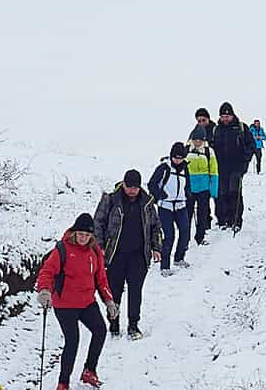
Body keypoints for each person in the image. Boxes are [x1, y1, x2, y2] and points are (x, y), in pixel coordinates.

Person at [33, 212, 114, 390]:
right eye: (80, 234)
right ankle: (63, 383)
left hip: (87, 302)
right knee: (73, 341)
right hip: (65, 304)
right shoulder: (62, 249)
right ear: (74, 233)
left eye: (87, 235)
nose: (83, 238)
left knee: (100, 330)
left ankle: (89, 370)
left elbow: (101, 278)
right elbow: (47, 271)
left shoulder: (95, 252)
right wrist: (44, 291)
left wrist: (108, 300)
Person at [94, 169, 160, 341]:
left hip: (139, 255)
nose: (132, 190)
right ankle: (113, 323)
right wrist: (99, 246)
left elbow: (155, 226)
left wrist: (156, 247)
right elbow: (98, 223)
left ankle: (133, 324)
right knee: (114, 291)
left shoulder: (147, 203)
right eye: (129, 186)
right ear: (123, 184)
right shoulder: (110, 200)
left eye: (135, 187)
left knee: (135, 291)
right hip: (115, 254)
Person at [148, 143, 194, 272]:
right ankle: (165, 265)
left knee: (185, 232)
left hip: (181, 206)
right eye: (176, 158)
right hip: (165, 207)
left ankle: (179, 258)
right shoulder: (164, 168)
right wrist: (160, 195)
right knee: (169, 236)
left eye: (181, 158)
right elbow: (152, 184)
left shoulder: (185, 168)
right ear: (171, 155)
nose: (178, 160)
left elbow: (187, 184)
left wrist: (188, 193)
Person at [211, 103, 255, 230]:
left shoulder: (241, 127)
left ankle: (236, 221)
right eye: (223, 116)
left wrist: (244, 160)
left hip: (237, 168)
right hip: (220, 169)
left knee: (234, 193)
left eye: (227, 116)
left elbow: (251, 146)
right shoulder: (217, 129)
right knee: (222, 194)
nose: (225, 119)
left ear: (232, 115)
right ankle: (224, 221)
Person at [185, 138, 219, 245]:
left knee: (202, 214)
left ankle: (200, 236)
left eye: (199, 140)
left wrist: (213, 191)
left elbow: (214, 171)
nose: (197, 142)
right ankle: (185, 239)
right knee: (187, 215)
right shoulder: (186, 150)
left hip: (204, 189)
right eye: (195, 140)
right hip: (189, 188)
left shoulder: (209, 151)